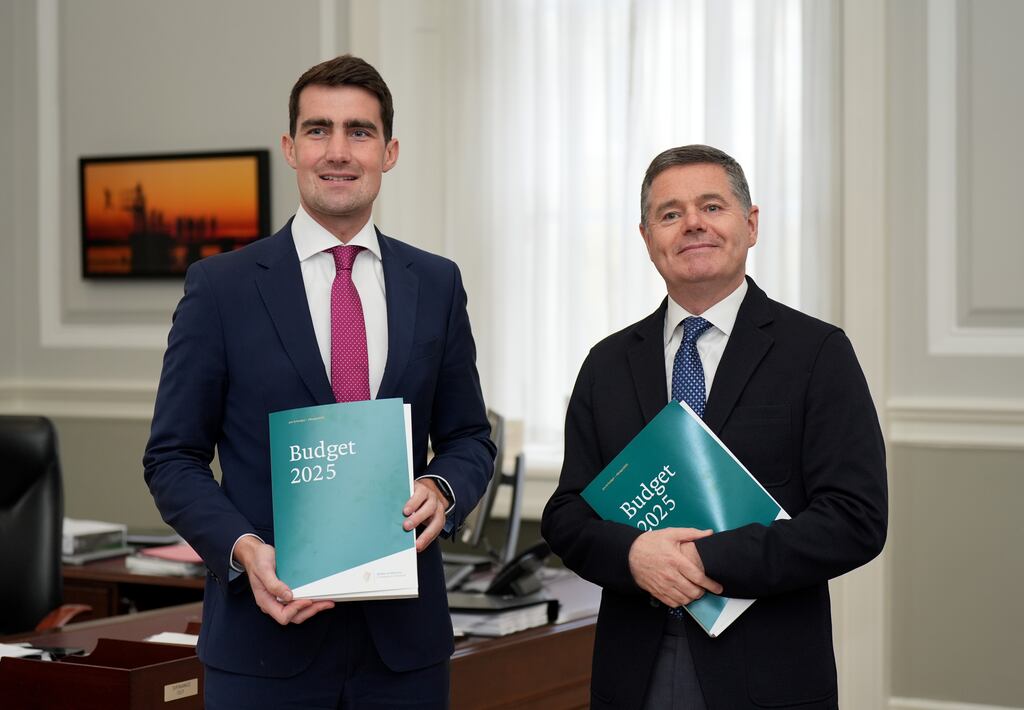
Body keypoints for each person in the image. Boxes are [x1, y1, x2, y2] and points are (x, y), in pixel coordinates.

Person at [143, 55, 495, 709]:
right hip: (262, 648)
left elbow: (470, 436)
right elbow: (172, 458)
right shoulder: (221, 289)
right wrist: (244, 551)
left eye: (359, 132)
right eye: (318, 130)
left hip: (404, 656)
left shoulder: (436, 284)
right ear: (290, 147)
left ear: (389, 152)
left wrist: (443, 489)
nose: (339, 151)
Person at [541, 145, 887, 710]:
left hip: (769, 674)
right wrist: (634, 557)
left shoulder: (818, 352)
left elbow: (856, 520)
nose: (693, 224)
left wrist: (704, 561)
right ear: (647, 237)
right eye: (670, 214)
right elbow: (566, 514)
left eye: (712, 206)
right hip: (635, 669)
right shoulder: (606, 364)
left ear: (750, 225)